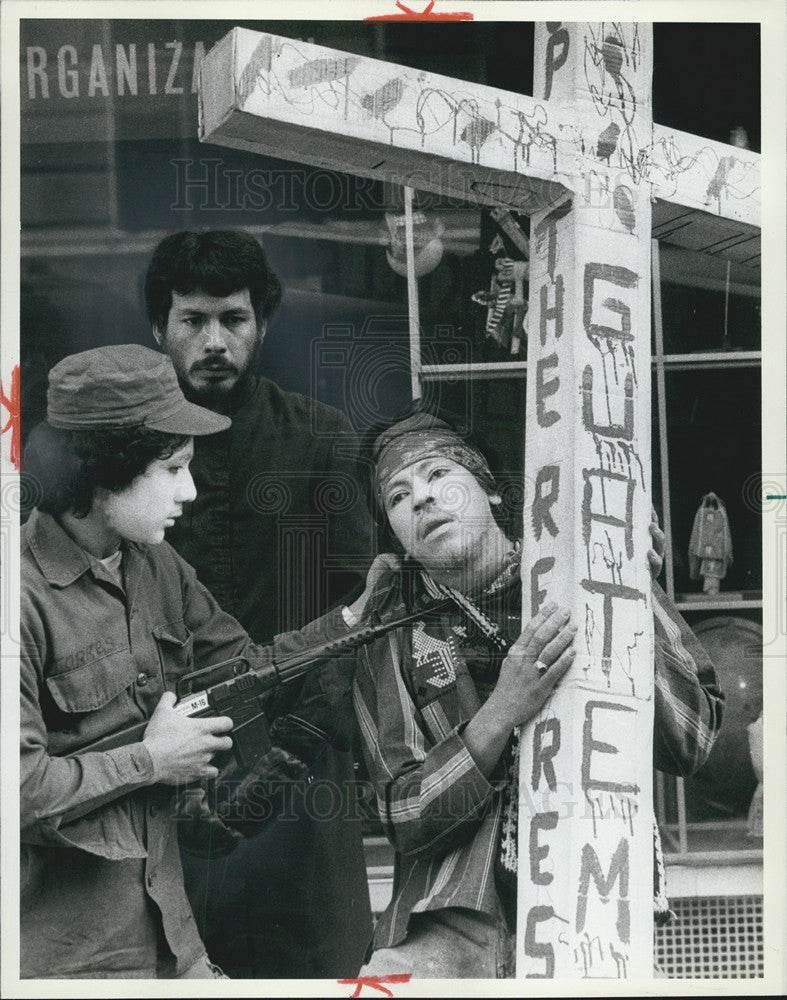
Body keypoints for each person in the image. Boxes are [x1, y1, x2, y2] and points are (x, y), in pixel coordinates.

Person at [348, 408, 725, 978]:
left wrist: (628, 587)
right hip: (449, 934)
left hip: (595, 911)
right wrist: (500, 712)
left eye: (437, 475)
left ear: (492, 492)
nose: (421, 499)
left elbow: (692, 739)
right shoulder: (391, 635)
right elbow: (403, 814)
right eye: (397, 497)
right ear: (396, 533)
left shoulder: (583, 569)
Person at [20, 345, 354, 979]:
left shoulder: (154, 564)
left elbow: (246, 668)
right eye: (172, 469)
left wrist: (353, 624)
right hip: (63, 961)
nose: (191, 491)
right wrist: (153, 761)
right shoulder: (19, 597)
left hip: (174, 940)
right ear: (104, 469)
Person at [144, 230, 374, 978]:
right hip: (167, 769)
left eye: (232, 319)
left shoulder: (320, 437)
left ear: (262, 325)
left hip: (301, 766)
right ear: (160, 328)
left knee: (314, 970)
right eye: (192, 320)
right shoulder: (127, 455)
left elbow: (359, 609)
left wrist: (295, 747)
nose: (214, 340)